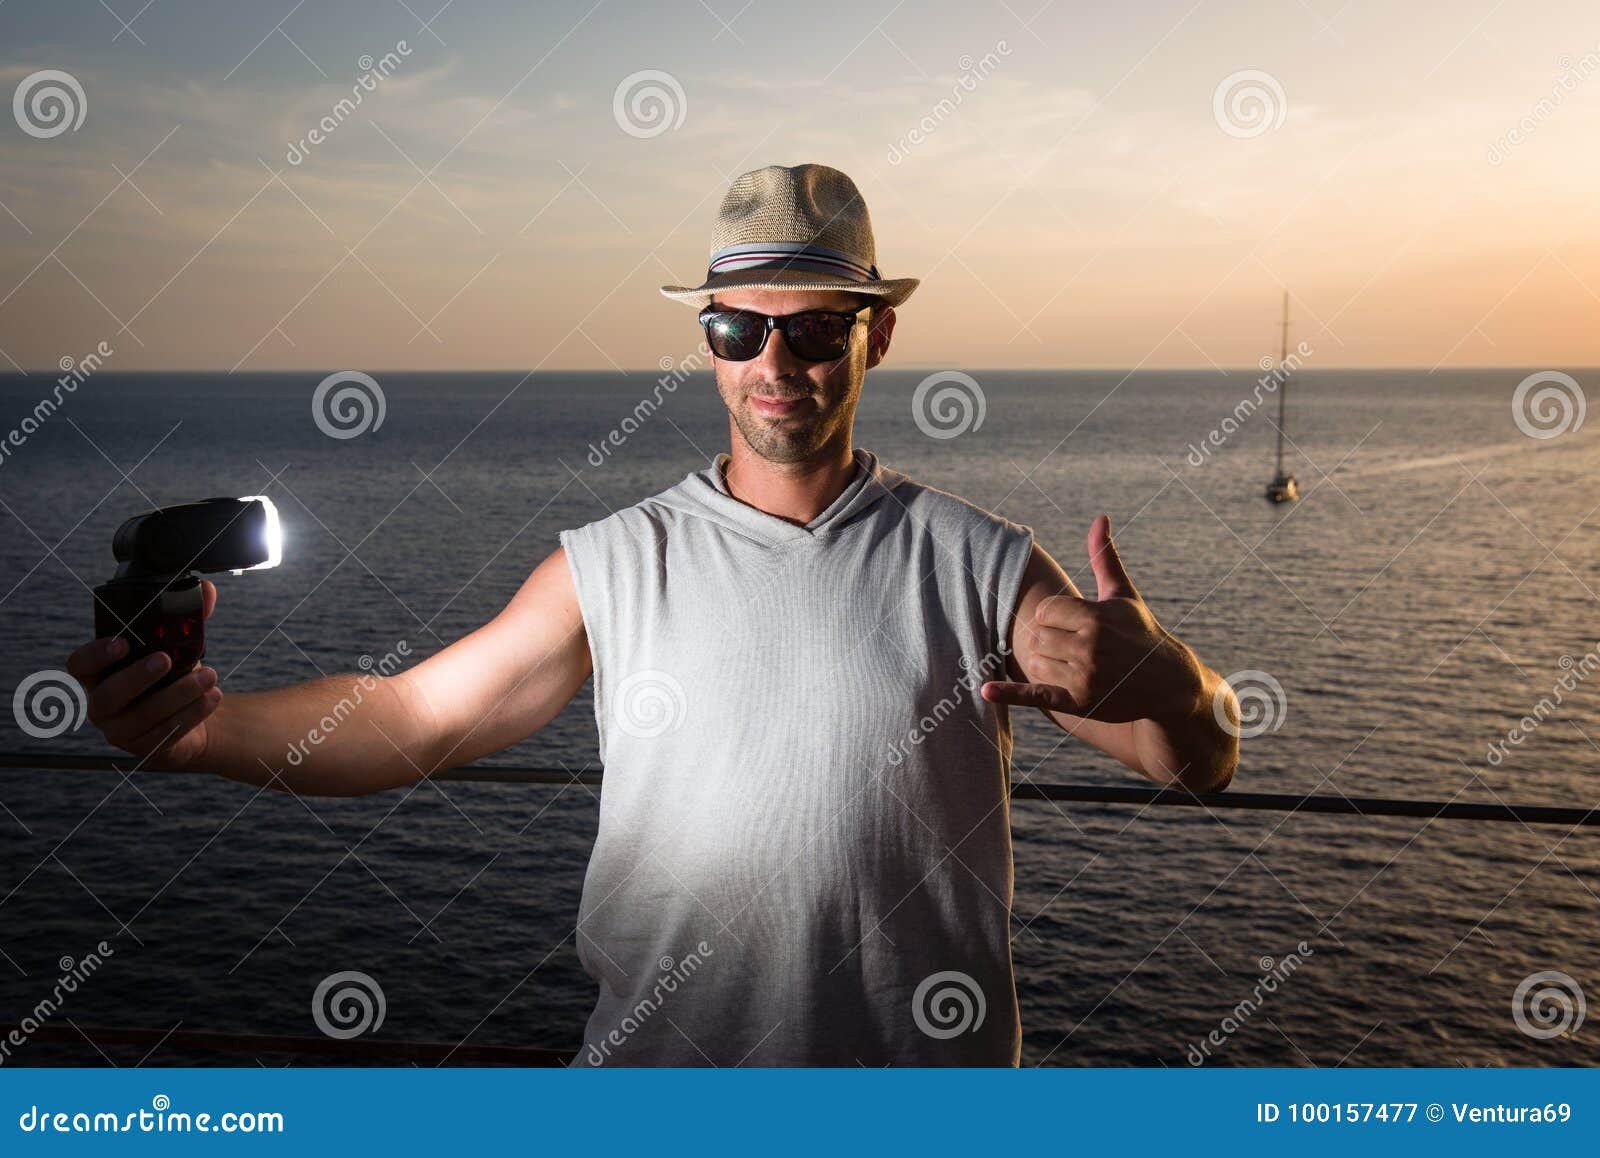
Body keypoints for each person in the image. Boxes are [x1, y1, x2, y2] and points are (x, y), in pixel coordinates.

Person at [67, 163, 1239, 1067]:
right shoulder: (611, 564)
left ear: (877, 335)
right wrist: (204, 736)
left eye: (818, 326)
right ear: (707, 341)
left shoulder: (976, 562)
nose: (775, 359)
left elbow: (1197, 756)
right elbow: (416, 717)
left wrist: (1168, 682)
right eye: (739, 327)